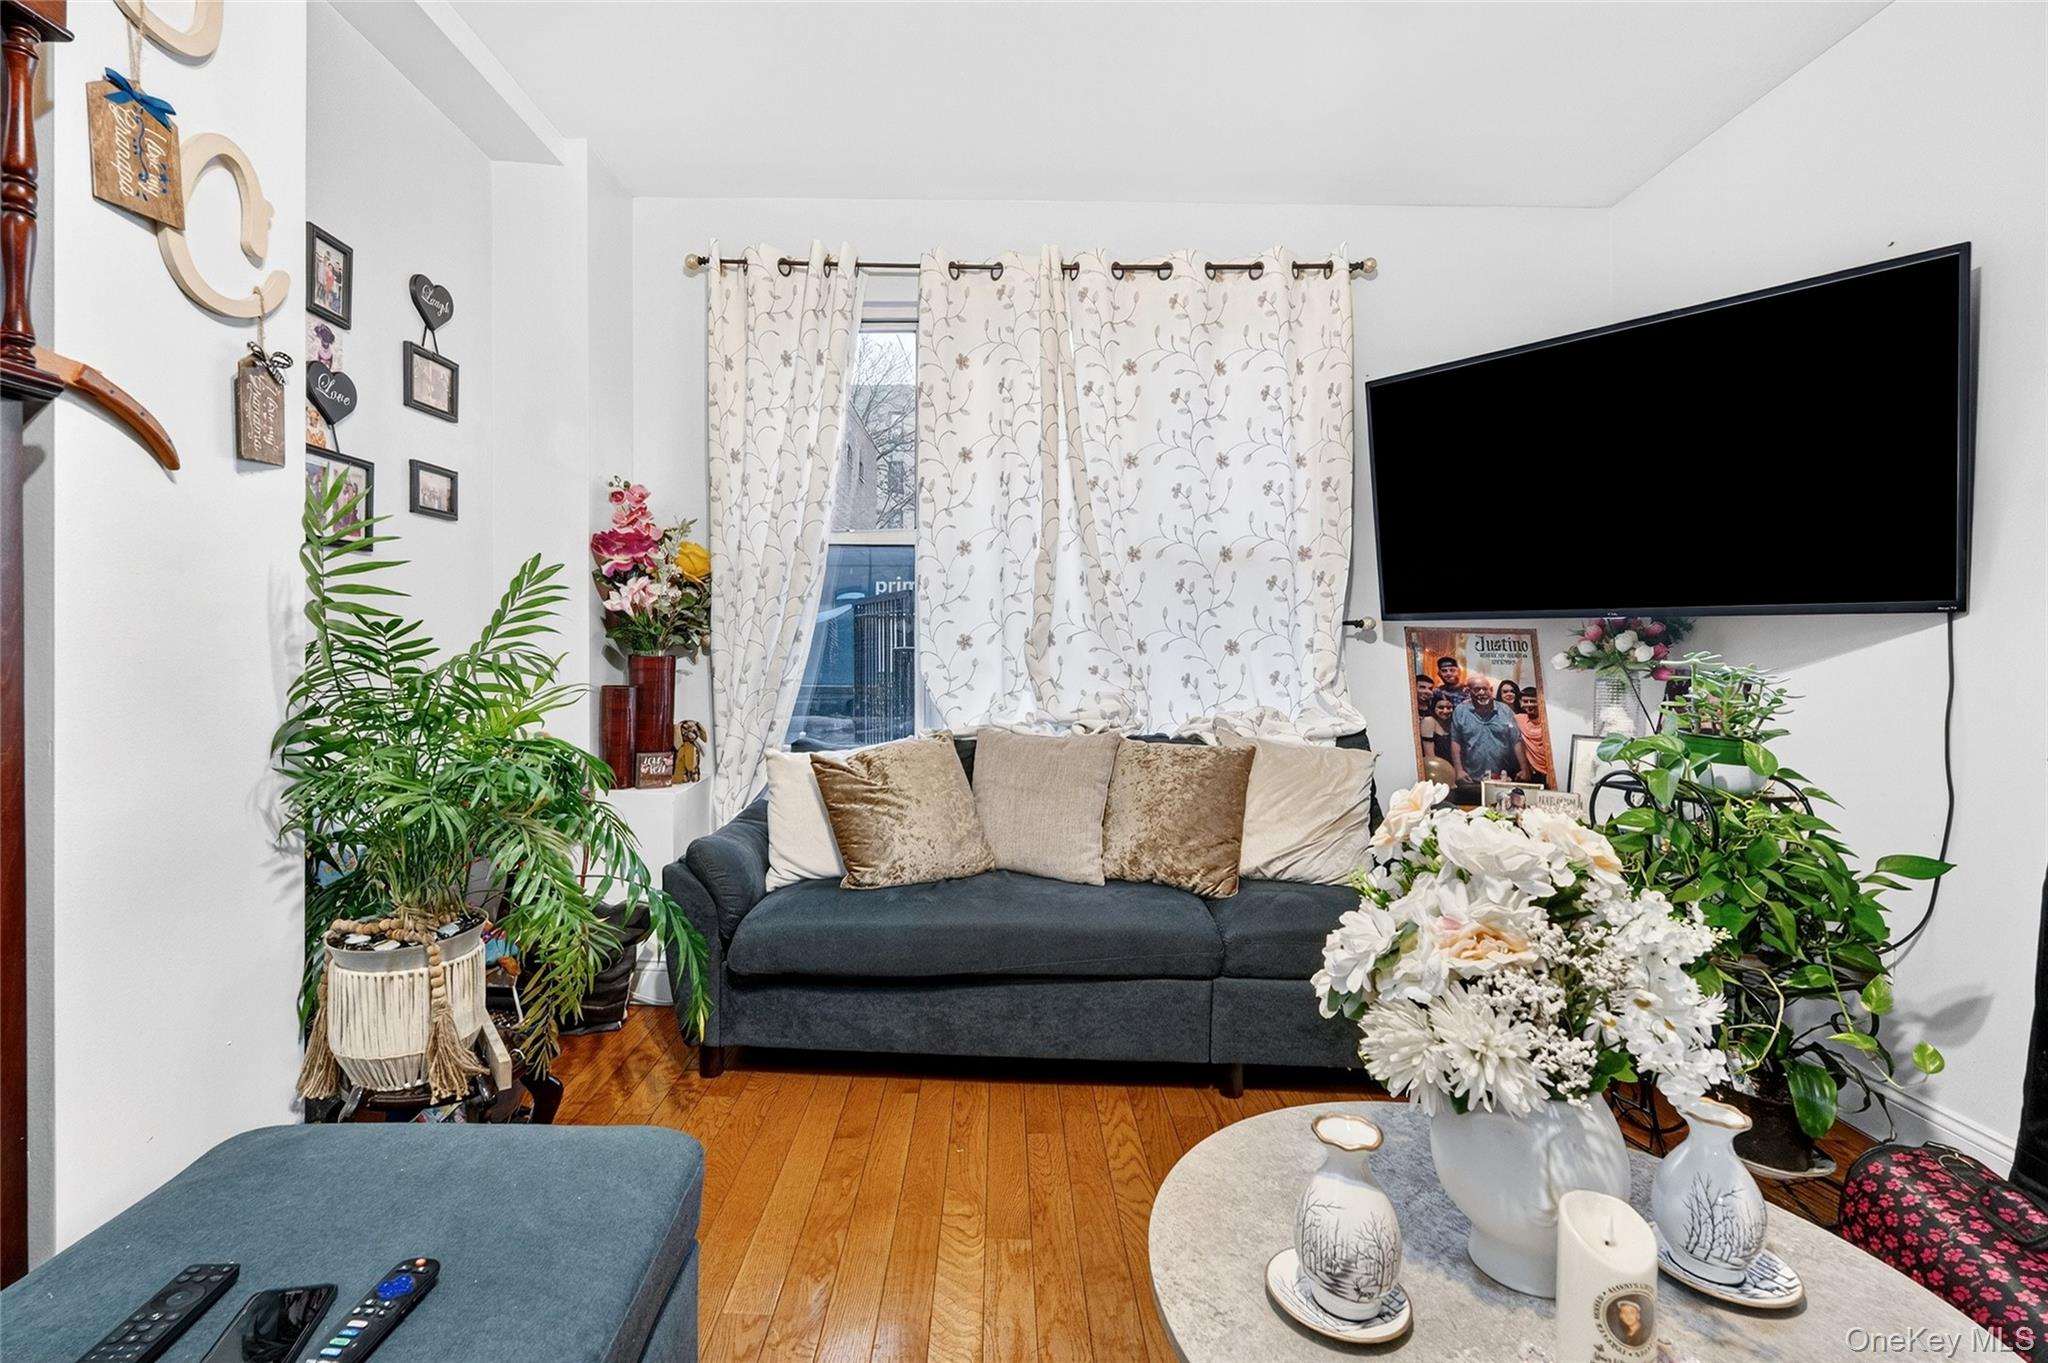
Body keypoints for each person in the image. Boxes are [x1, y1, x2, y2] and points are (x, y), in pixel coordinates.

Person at [1450, 679, 1528, 798]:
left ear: (1491, 690)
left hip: (1502, 778)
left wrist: (1524, 769)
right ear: (1469, 691)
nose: (1482, 693)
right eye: (1477, 689)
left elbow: (1516, 740)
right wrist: (1459, 770)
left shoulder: (1505, 711)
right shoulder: (1460, 711)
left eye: (1485, 689)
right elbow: (1456, 741)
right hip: (1471, 779)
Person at [1517, 686, 1554, 788]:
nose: (1529, 705)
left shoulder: (1549, 722)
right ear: (1520, 703)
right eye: (1526, 701)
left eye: (1533, 701)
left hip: (1550, 773)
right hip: (1532, 774)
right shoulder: (1519, 719)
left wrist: (1552, 773)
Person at [1418, 692, 1457, 766]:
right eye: (1441, 707)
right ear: (1433, 707)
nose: (1445, 711)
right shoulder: (1429, 721)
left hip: (1453, 766)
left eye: (1449, 708)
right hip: (1437, 767)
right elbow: (1429, 756)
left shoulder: (1453, 722)